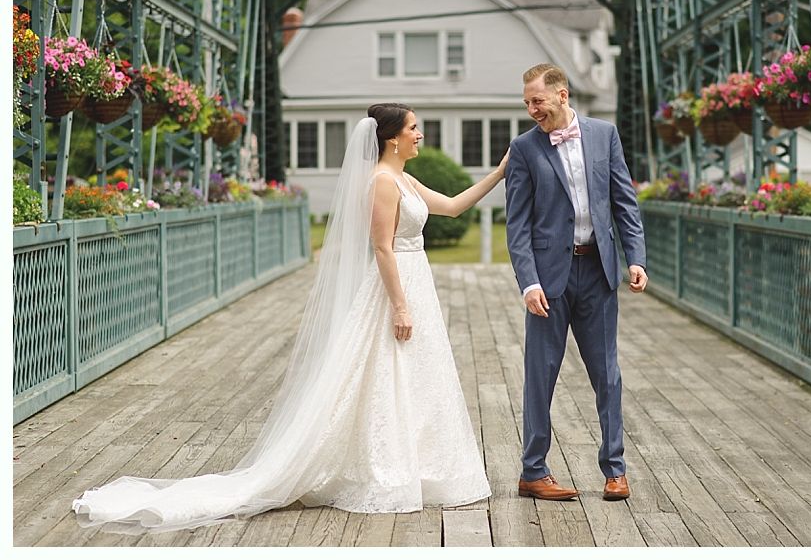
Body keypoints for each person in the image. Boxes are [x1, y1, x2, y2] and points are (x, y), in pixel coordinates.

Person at [72, 103, 507, 533]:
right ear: (392, 137)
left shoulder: (404, 178)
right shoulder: (382, 182)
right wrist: (400, 305)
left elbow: (452, 206)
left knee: (412, 374)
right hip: (396, 287)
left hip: (416, 280)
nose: (420, 134)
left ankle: (419, 464)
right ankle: (379, 468)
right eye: (414, 128)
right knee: (380, 371)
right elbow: (382, 247)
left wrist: (500, 171)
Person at [505, 63, 647, 502]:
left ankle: (615, 470)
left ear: (562, 95)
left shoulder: (604, 135)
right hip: (549, 281)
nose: (532, 110)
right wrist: (529, 284)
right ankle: (533, 470)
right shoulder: (524, 148)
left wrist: (635, 257)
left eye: (538, 101)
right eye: (527, 102)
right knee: (540, 375)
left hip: (599, 272)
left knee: (608, 374)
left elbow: (624, 201)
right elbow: (518, 225)